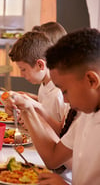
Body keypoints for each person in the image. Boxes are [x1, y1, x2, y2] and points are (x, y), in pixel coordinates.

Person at [9, 28, 100, 185]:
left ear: (91, 80)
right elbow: (52, 157)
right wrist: (27, 109)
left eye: (65, 91)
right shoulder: (85, 116)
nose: (64, 100)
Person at [8, 31, 69, 134]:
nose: (22, 75)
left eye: (23, 69)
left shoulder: (60, 94)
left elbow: (62, 133)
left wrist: (32, 121)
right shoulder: (44, 84)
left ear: (40, 65)